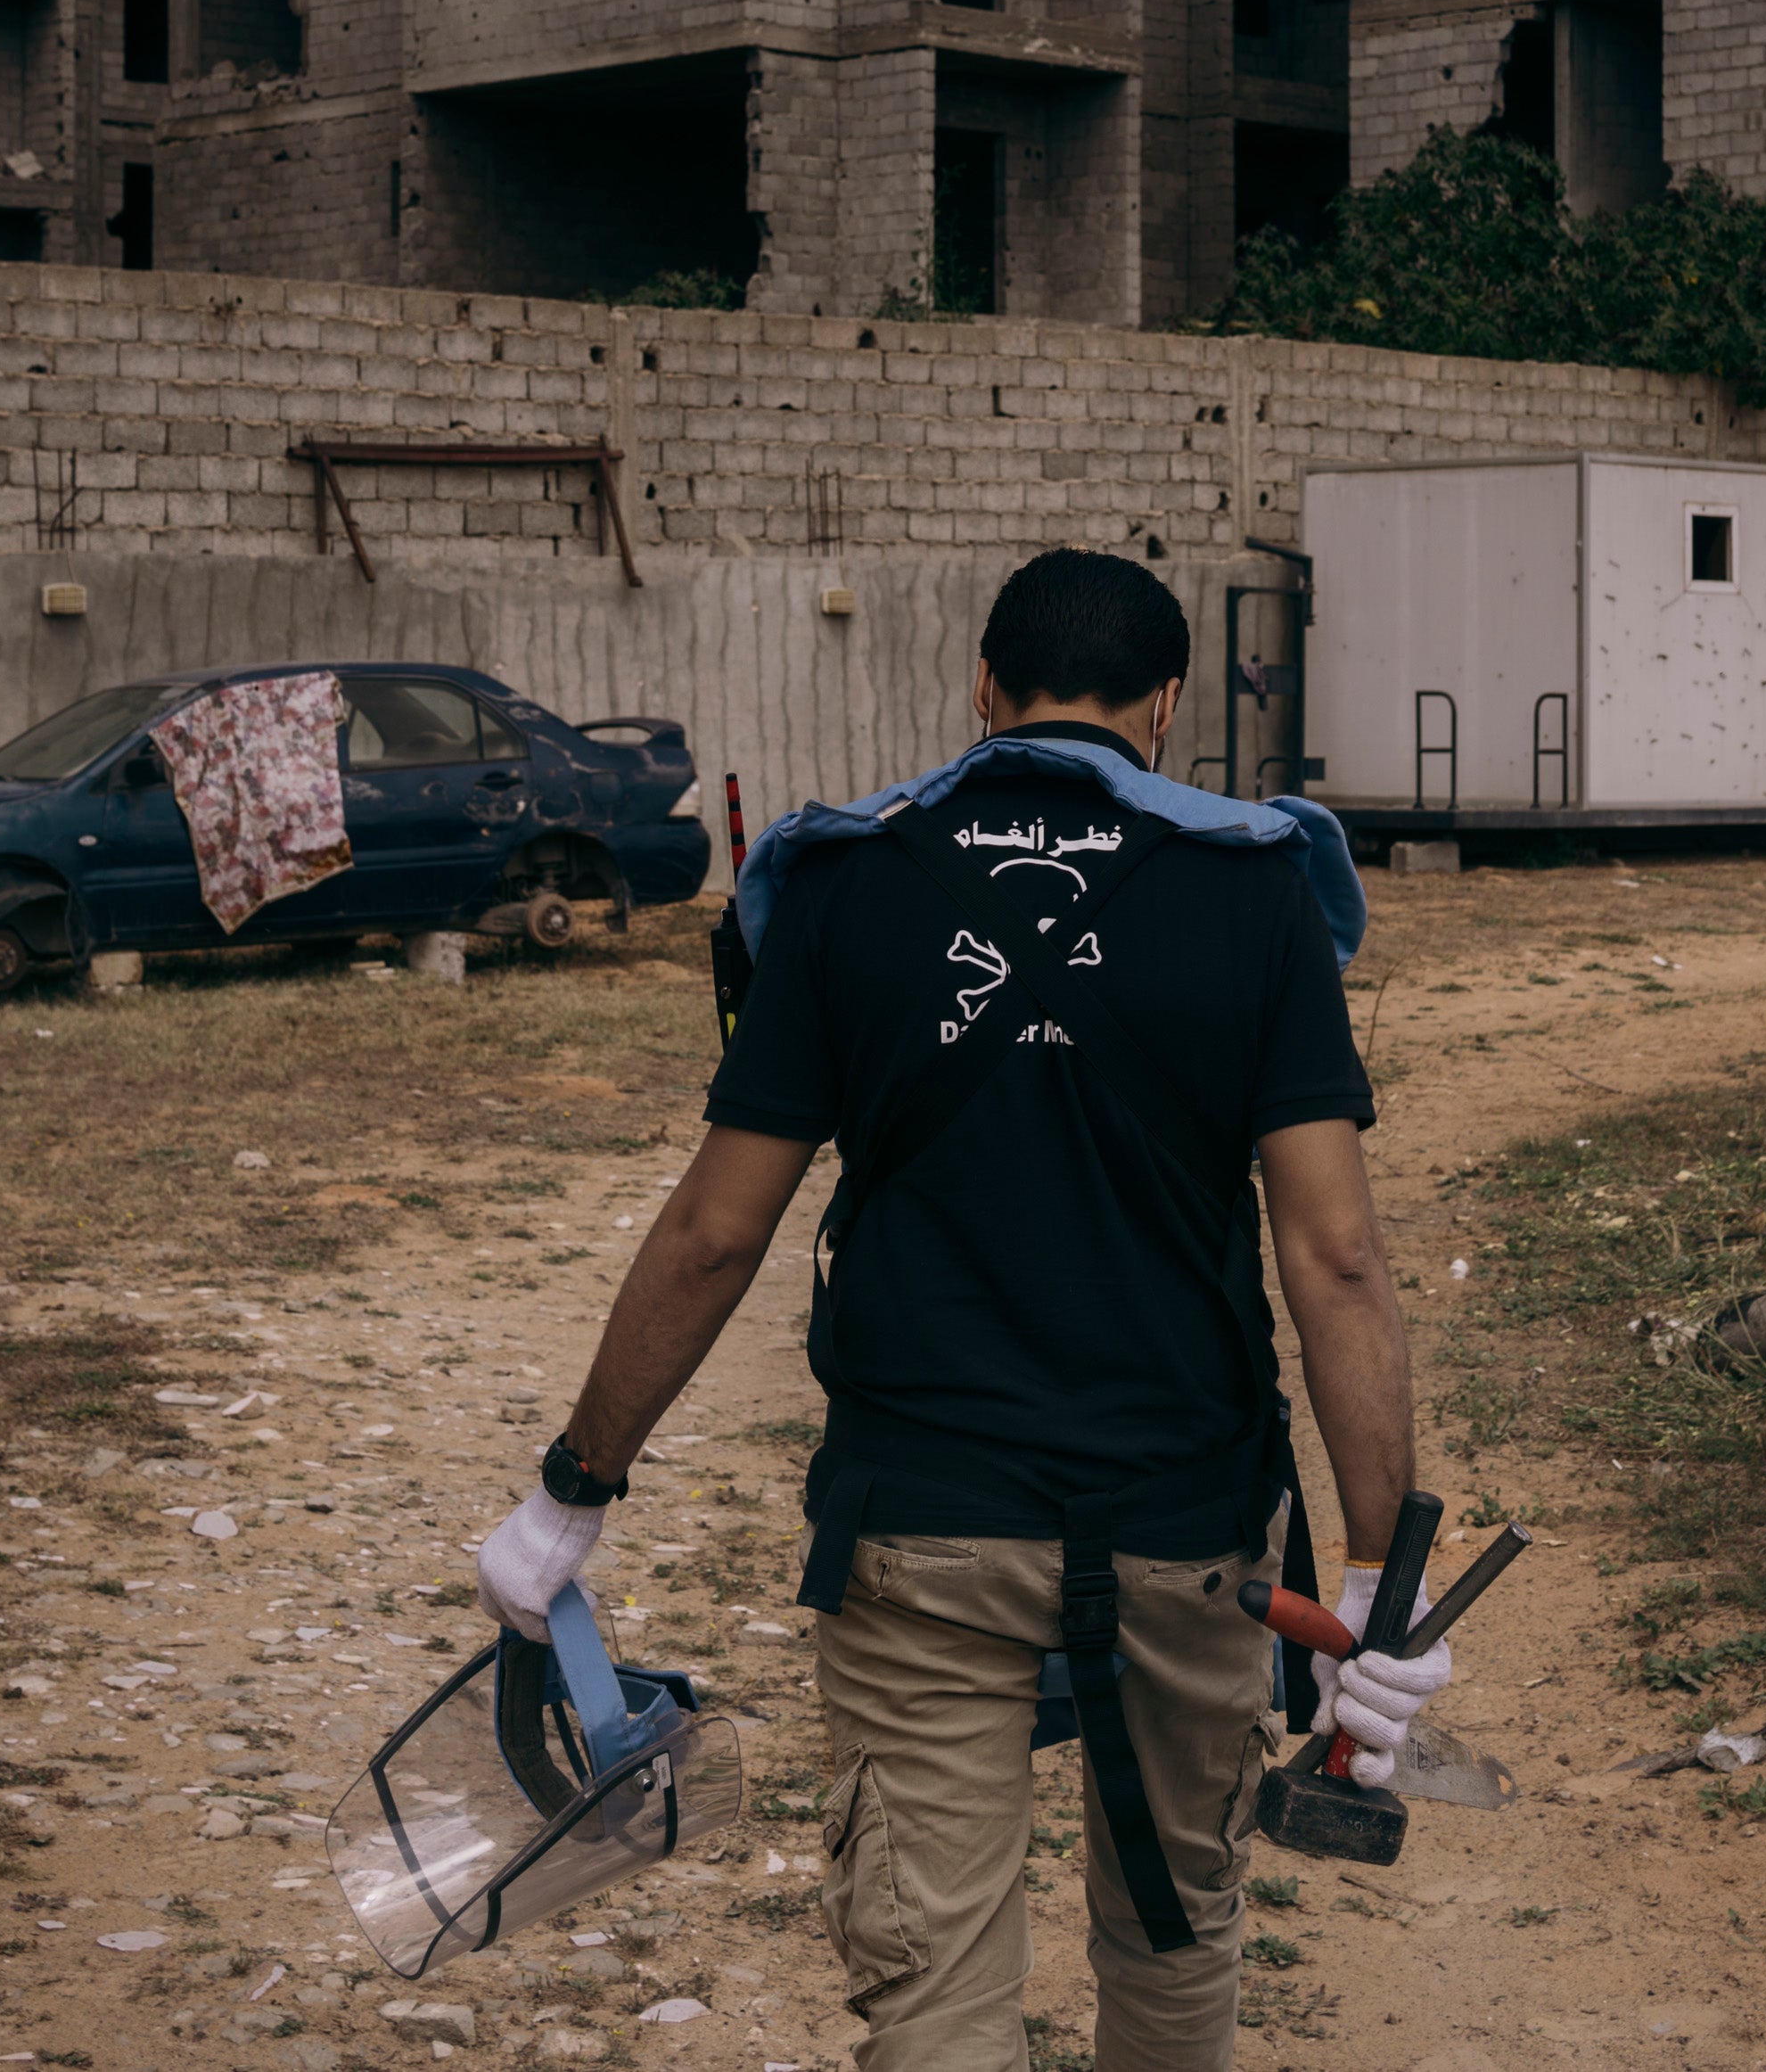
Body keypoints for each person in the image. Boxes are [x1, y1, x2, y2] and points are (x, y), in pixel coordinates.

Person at [466, 548, 1466, 2071]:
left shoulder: (848, 884)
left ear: (984, 691)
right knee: (1174, 1942)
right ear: (1169, 708)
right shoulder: (1258, 891)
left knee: (933, 1992)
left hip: (918, 1522)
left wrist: (573, 1491)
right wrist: (1382, 1569)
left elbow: (712, 1236)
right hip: (1190, 1527)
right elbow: (1336, 1260)